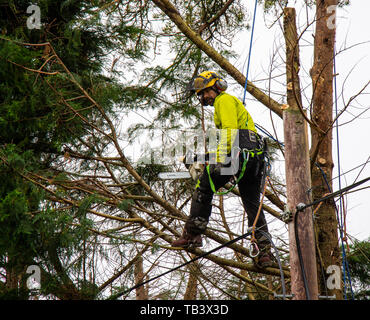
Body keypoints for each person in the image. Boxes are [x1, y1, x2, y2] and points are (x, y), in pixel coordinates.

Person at [171, 71, 274, 268]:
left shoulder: (223, 100)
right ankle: (264, 253)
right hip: (252, 159)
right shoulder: (230, 103)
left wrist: (215, 162)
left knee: (205, 185)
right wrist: (210, 158)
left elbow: (229, 130)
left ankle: (193, 234)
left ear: (214, 88)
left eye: (204, 93)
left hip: (239, 154)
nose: (203, 98)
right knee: (253, 205)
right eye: (201, 95)